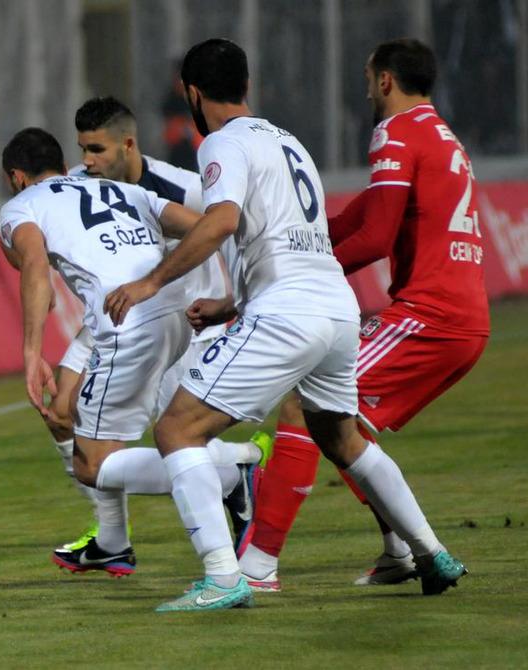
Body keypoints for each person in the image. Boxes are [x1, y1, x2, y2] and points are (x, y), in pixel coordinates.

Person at [104, 38, 466, 611]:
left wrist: (151, 281)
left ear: (192, 95)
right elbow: (300, 240)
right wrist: (231, 304)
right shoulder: (288, 140)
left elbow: (221, 221)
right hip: (337, 310)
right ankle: (431, 552)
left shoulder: (222, 142)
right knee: (341, 437)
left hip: (289, 313)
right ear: (245, 86)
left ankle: (225, 578)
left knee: (177, 430)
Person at [235, 37, 490, 591]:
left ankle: (256, 568)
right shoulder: (440, 133)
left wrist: (299, 272)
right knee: (340, 425)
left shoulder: (394, 131)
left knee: (304, 410)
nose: (367, 89)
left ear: (384, 81)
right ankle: (402, 551)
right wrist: (314, 242)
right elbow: (371, 213)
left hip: (430, 315)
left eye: (367, 77)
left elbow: (375, 237)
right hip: (460, 317)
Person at [0, 127, 262, 578]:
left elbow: (35, 267)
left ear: (16, 177)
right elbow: (205, 227)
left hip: (128, 323)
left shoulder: (21, 207)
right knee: (77, 418)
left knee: (92, 464)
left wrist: (30, 352)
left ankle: (231, 475)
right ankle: (112, 543)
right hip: (173, 313)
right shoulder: (120, 189)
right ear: (64, 168)